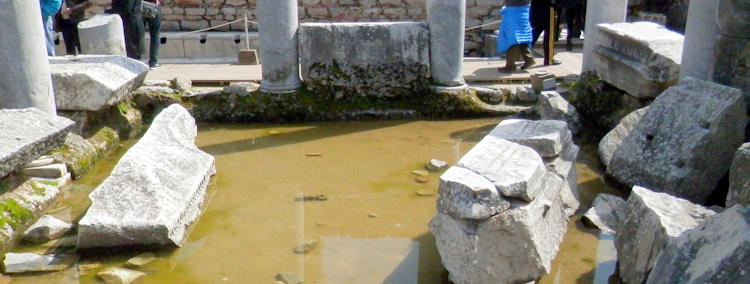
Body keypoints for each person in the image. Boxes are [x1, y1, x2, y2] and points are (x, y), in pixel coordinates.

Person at [496, 0, 535, 73]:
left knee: (512, 38)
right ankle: (529, 59)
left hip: (513, 10)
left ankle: (510, 66)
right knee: (523, 36)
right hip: (524, 9)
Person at [530, 0, 561, 65]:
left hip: (535, 6)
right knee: (549, 34)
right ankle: (549, 59)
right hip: (548, 7)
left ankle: (524, 54)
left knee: (535, 32)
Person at [143, 0, 162, 69]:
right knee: (155, 35)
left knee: (139, 34)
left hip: (140, 6)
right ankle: (153, 62)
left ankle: (137, 60)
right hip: (154, 5)